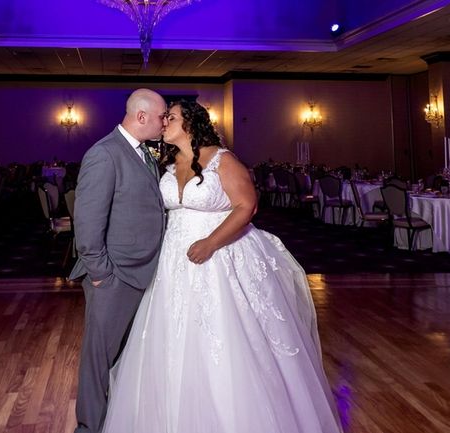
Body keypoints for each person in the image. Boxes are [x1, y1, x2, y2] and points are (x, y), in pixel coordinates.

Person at [102, 100, 344, 433]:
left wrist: (211, 243)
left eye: (170, 117)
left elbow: (247, 206)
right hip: (173, 260)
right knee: (170, 334)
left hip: (220, 256)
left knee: (226, 335)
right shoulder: (169, 165)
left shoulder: (223, 160)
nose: (163, 123)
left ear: (190, 123)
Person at [68, 88, 167, 433]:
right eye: (161, 116)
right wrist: (101, 275)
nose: (164, 122)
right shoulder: (105, 154)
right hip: (115, 276)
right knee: (99, 358)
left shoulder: (145, 154)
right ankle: (88, 428)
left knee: (126, 356)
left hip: (142, 272)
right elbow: (88, 223)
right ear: (141, 117)